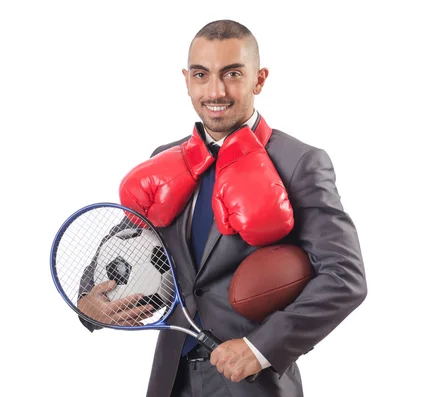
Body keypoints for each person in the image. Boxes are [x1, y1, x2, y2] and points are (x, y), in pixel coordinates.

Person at [80, 19, 367, 397]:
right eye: (201, 74)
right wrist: (88, 302)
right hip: (170, 381)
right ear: (186, 81)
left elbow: (345, 277)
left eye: (232, 74)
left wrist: (260, 348)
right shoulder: (163, 160)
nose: (215, 90)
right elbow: (123, 244)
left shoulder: (300, 162)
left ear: (259, 79)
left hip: (253, 383)